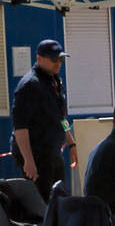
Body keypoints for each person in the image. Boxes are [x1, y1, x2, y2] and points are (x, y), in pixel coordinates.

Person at [11, 39, 75, 198]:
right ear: (39, 59)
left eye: (60, 59)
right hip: (36, 154)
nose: (58, 64)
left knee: (60, 197)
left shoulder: (54, 81)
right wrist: (28, 161)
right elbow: (20, 127)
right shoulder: (29, 85)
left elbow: (61, 117)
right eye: (53, 60)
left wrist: (71, 143)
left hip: (53, 151)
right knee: (43, 200)